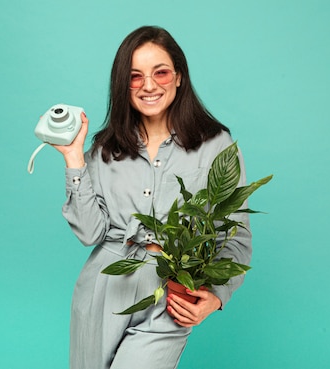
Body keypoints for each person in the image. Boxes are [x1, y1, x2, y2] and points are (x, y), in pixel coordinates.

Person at [53, 26, 251, 369]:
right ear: (122, 85)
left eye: (160, 72)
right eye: (135, 76)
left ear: (179, 78)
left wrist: (216, 298)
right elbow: (89, 233)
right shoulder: (105, 148)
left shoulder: (216, 144)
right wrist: (74, 157)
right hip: (104, 288)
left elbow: (235, 233)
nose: (148, 85)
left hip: (172, 292)